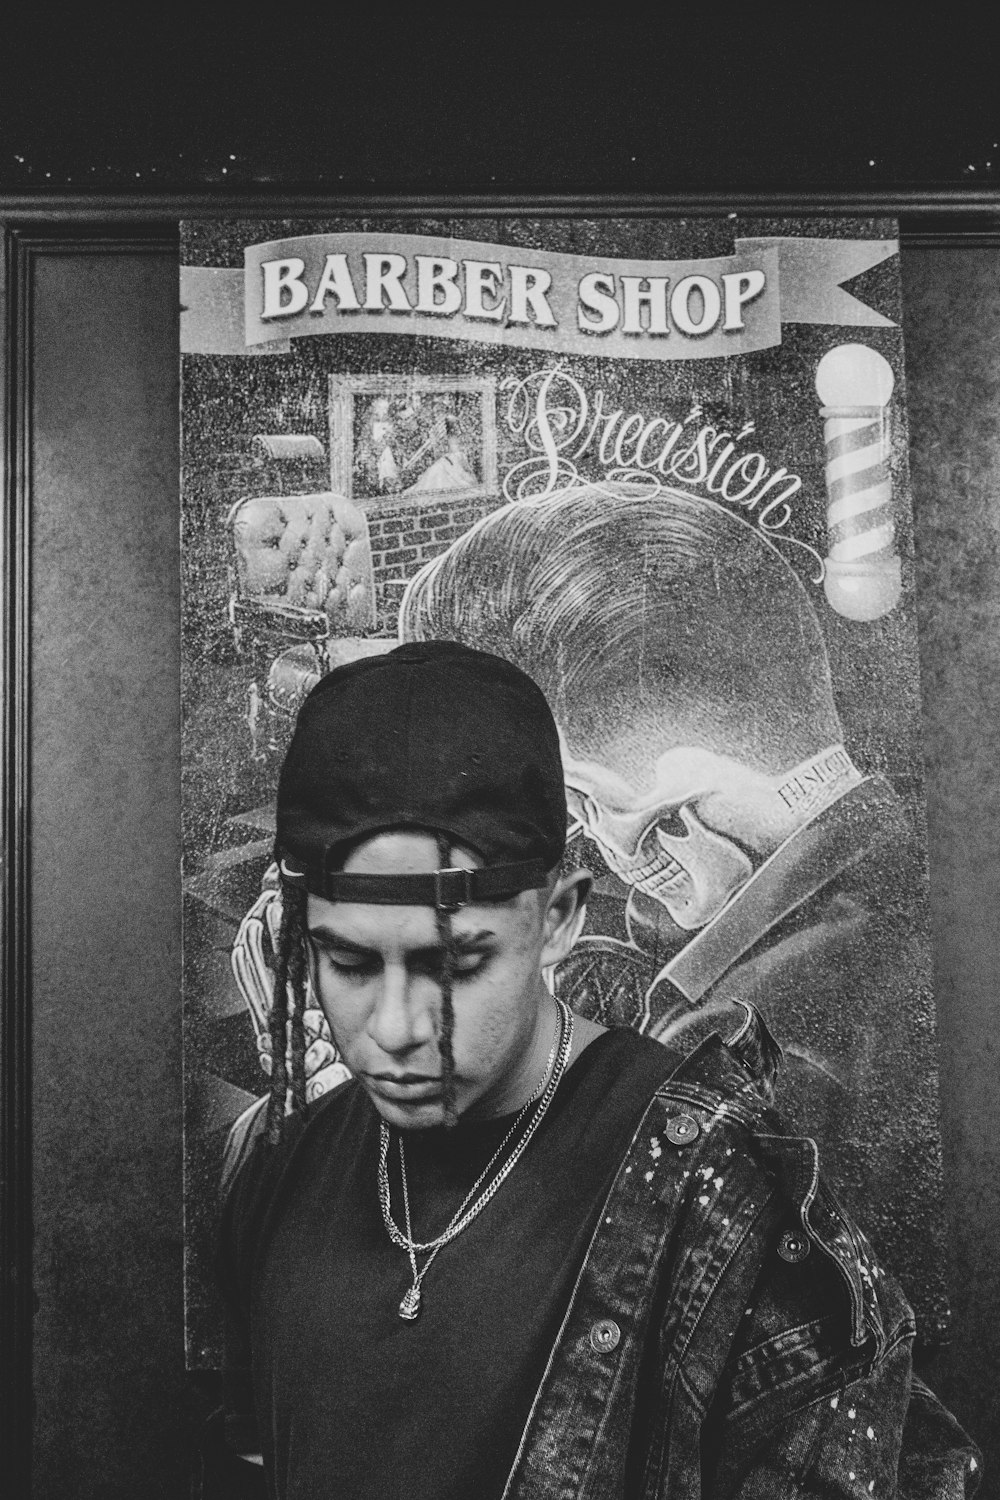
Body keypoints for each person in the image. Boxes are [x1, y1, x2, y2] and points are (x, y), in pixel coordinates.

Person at [202, 640, 979, 1498]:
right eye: (346, 964)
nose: (393, 1028)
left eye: (457, 966)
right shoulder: (282, 1164)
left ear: (561, 918)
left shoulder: (719, 1190)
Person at [396, 483, 945, 1327]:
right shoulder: (911, 865)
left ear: (682, 804)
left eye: (580, 803)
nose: (595, 845)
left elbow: (557, 1303)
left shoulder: (728, 1043)